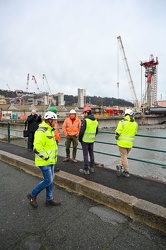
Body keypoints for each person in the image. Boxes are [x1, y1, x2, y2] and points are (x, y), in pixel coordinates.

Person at [27, 111, 61, 208]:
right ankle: (32, 195)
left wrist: (52, 158)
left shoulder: (50, 130)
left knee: (50, 180)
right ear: (49, 120)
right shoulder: (40, 131)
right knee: (48, 180)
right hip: (44, 161)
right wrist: (47, 157)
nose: (56, 122)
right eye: (54, 120)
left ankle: (49, 199)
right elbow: (37, 148)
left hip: (51, 161)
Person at [115, 109, 138, 178]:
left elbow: (117, 132)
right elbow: (135, 133)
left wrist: (116, 137)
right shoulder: (135, 124)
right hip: (130, 144)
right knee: (124, 157)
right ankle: (119, 166)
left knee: (124, 157)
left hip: (122, 143)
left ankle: (126, 171)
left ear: (125, 115)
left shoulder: (122, 122)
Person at [79, 107, 98, 175]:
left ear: (86, 113)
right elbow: (96, 131)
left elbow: (81, 132)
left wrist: (80, 139)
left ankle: (86, 169)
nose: (83, 114)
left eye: (84, 113)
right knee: (91, 153)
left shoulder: (85, 121)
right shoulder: (95, 121)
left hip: (85, 140)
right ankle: (92, 167)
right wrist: (92, 137)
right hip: (91, 140)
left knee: (85, 154)